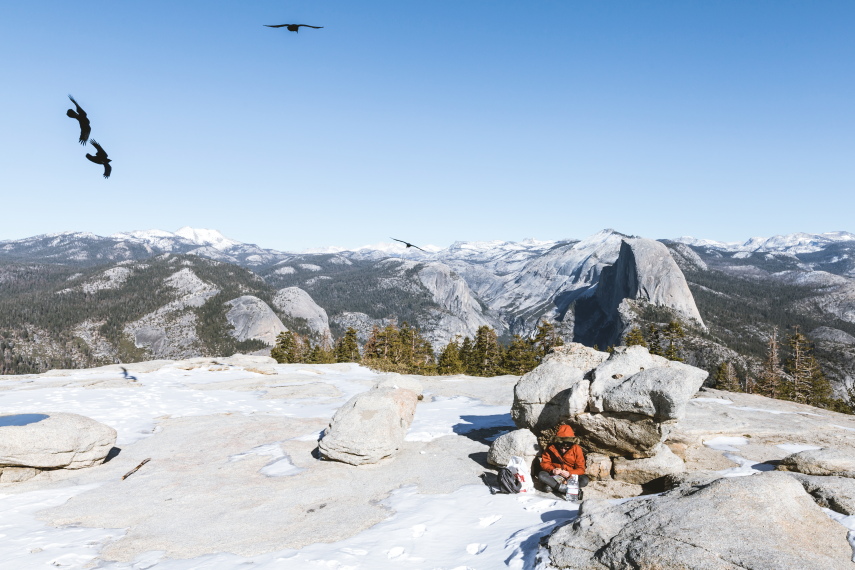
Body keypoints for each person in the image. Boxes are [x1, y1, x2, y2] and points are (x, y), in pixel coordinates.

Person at [538, 424, 589, 500]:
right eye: (561, 446)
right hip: (555, 475)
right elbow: (544, 463)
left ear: (571, 443)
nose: (563, 450)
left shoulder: (576, 449)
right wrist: (553, 470)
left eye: (567, 447)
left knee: (585, 480)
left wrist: (569, 473)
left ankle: (555, 487)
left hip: (570, 476)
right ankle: (566, 489)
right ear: (557, 442)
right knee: (541, 475)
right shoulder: (551, 447)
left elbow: (581, 469)